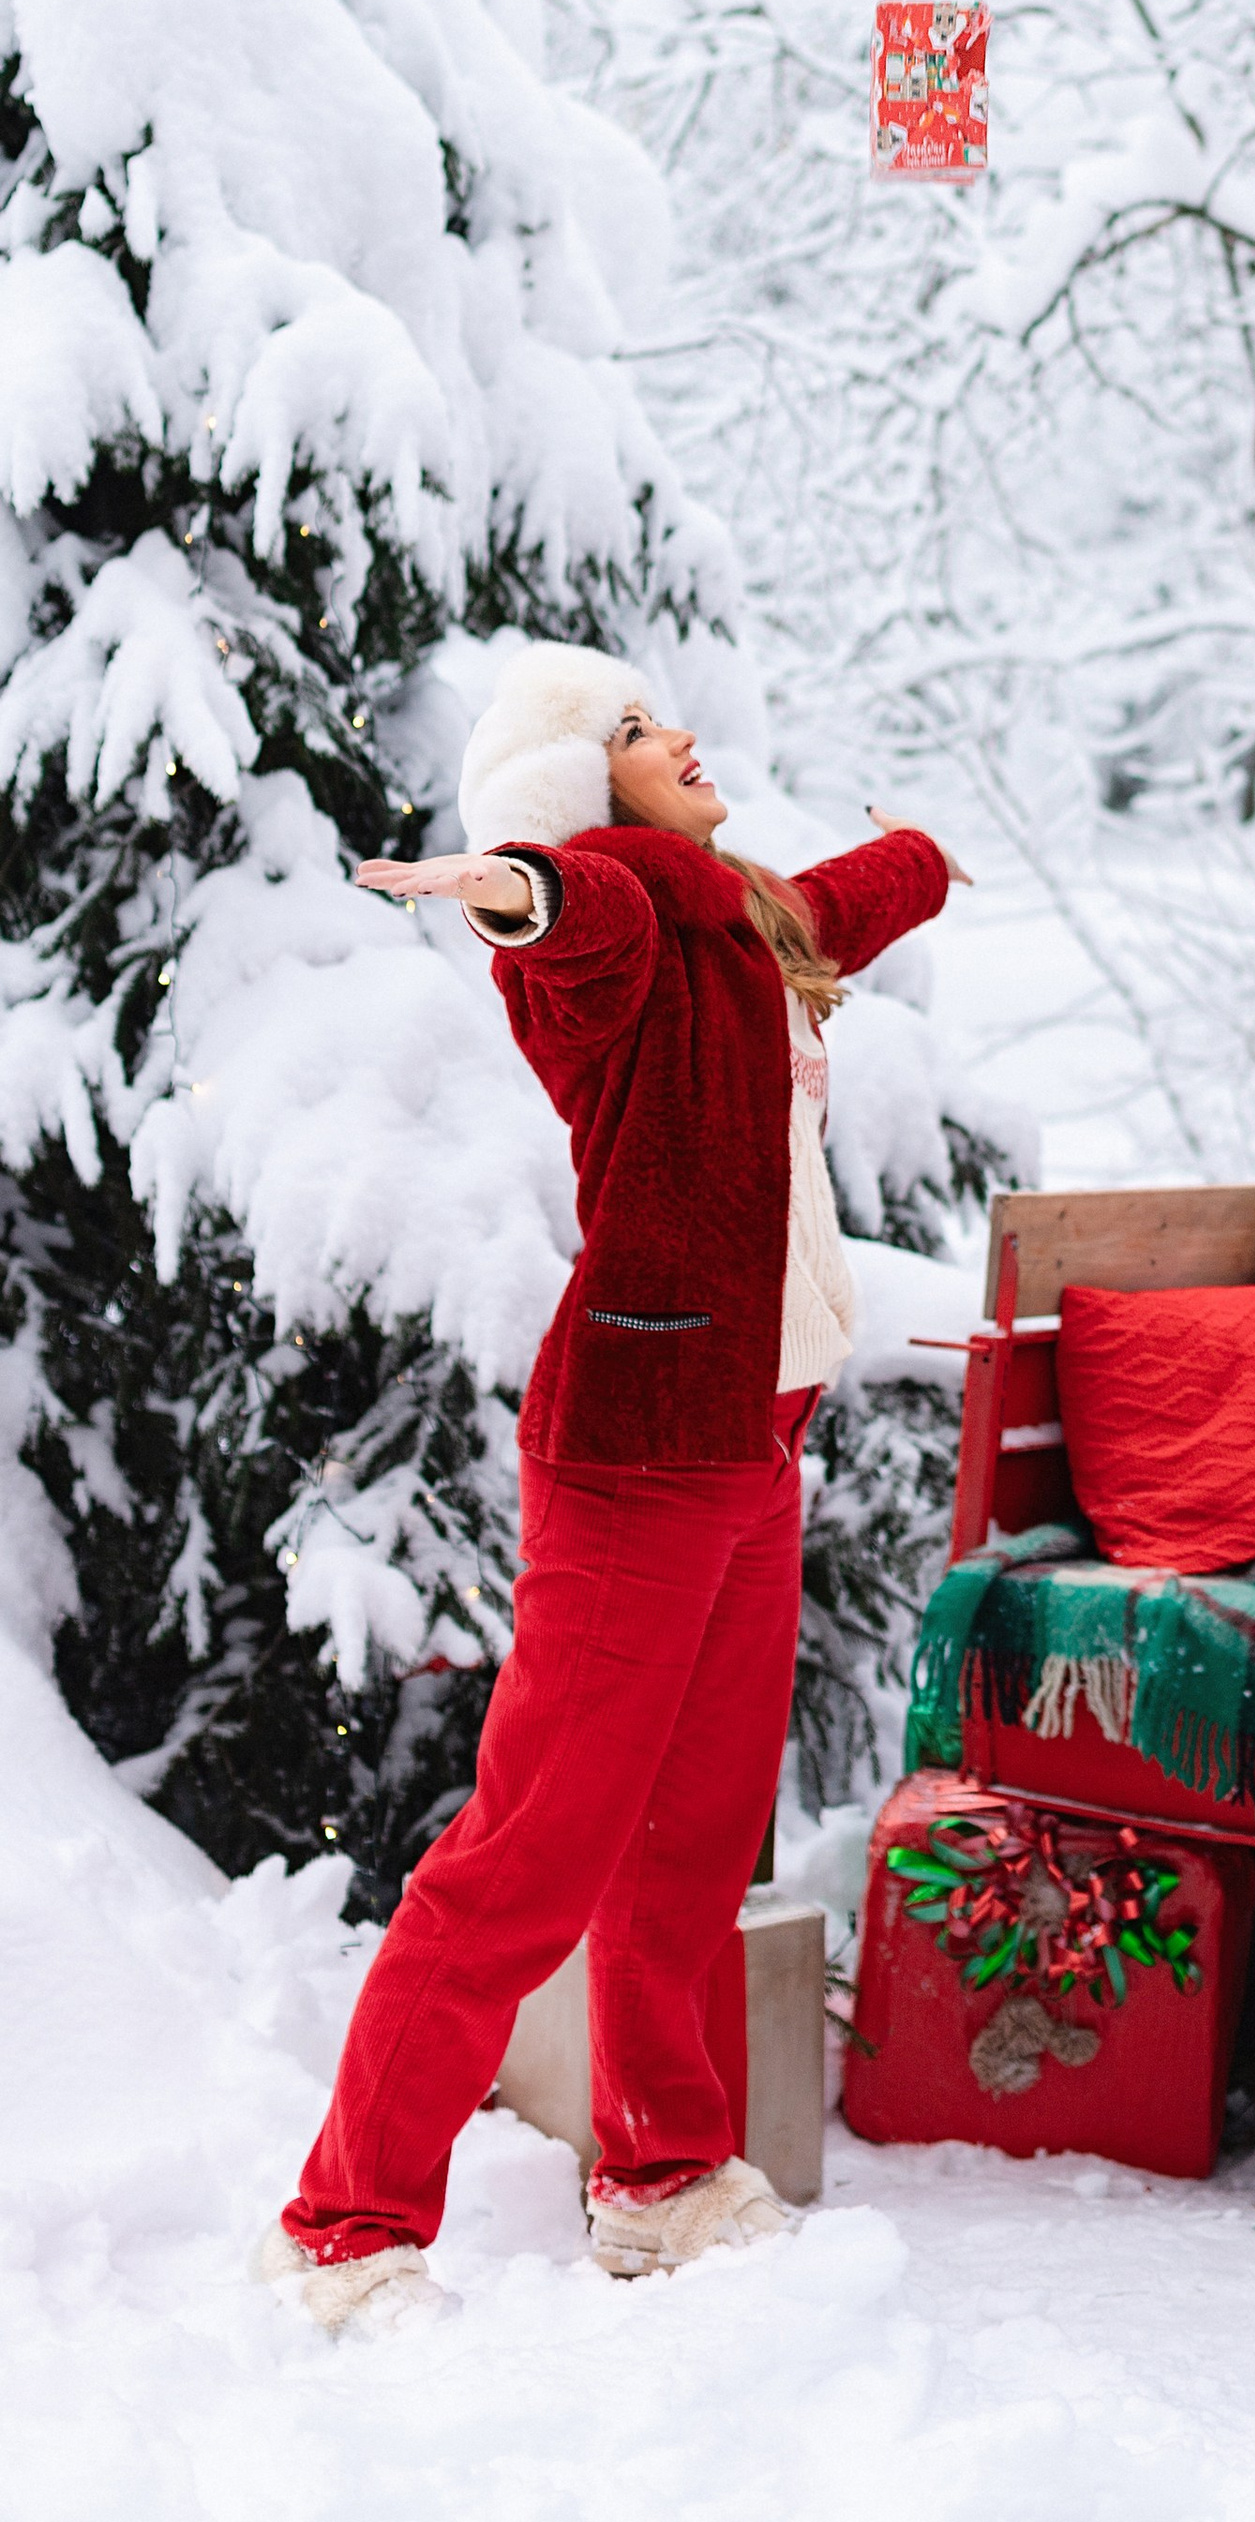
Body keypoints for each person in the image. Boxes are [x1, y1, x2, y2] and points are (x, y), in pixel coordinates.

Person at [260, 644, 966, 2333]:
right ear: (588, 786)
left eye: (663, 713)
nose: (680, 736)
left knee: (688, 1849)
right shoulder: (631, 913)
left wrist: (924, 854)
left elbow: (830, 904)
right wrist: (508, 881)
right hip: (641, 1447)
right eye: (636, 731)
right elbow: (569, 918)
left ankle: (663, 2179)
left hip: (752, 1440)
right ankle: (347, 2225)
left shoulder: (741, 916)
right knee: (532, 1852)